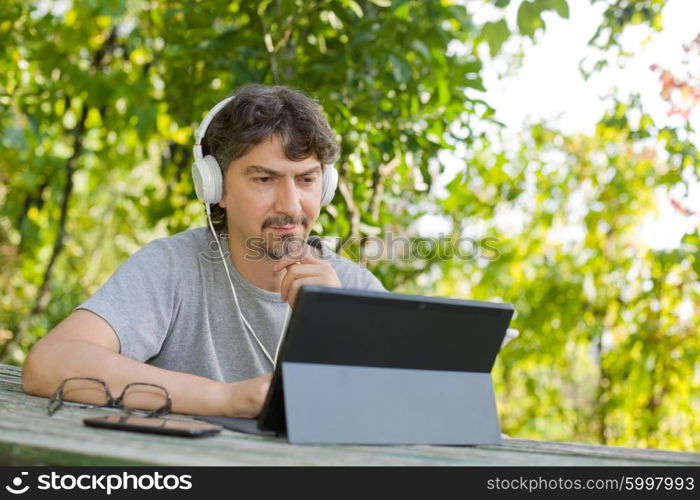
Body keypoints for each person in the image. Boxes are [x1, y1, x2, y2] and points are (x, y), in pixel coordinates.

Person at [22, 83, 386, 418]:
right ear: (215, 188)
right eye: (264, 179)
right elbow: (50, 363)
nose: (291, 205)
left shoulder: (354, 287)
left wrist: (338, 323)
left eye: (306, 179)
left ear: (326, 187)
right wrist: (226, 399)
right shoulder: (171, 267)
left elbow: (413, 404)